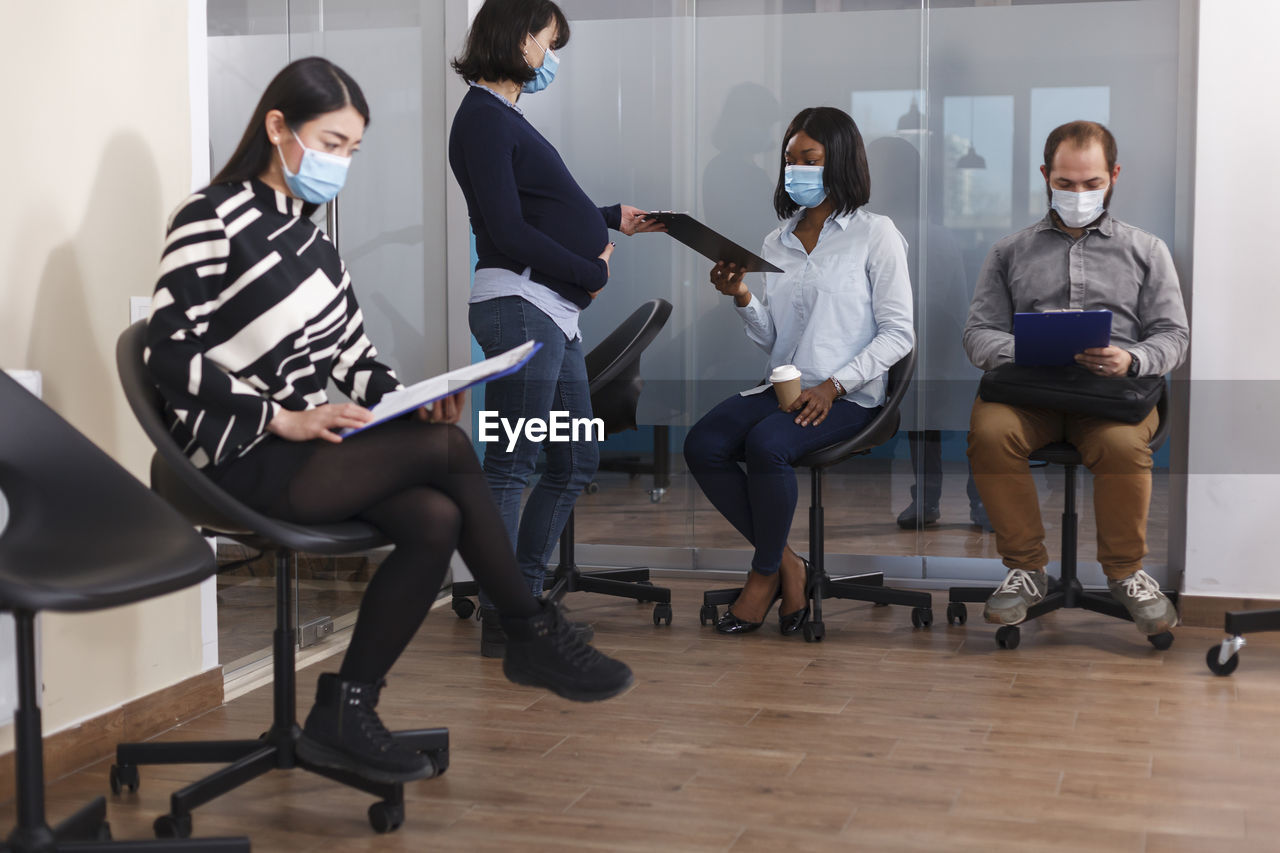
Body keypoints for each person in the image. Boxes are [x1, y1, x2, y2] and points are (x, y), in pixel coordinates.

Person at [145, 57, 633, 786]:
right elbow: (165, 354)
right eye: (330, 142)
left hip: (310, 453)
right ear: (277, 128)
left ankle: (347, 705)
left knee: (435, 517)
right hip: (239, 454)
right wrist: (281, 417)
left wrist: (412, 394)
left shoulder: (315, 245)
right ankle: (527, 628)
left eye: (352, 150)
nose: (340, 162)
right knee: (447, 451)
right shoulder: (211, 218)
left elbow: (355, 356)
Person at [448, 0, 662, 657]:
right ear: (518, 41)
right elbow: (507, 231)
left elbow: (534, 207)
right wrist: (589, 270)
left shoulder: (504, 119)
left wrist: (602, 216)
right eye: (547, 41)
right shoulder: (482, 120)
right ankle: (508, 620)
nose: (550, 57)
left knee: (574, 458)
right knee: (512, 460)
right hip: (521, 306)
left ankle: (525, 604)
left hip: (549, 312)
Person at [684, 107, 914, 636]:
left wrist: (834, 386)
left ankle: (763, 576)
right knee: (703, 443)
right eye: (790, 160)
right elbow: (774, 338)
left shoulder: (875, 235)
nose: (796, 171)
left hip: (849, 395)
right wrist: (741, 295)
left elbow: (900, 334)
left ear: (840, 164)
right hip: (783, 384)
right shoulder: (775, 242)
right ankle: (791, 564)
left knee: (769, 444)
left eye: (809, 159)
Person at [964, 120, 1189, 635]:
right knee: (990, 433)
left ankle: (1126, 572)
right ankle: (1025, 569)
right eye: (1065, 183)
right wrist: (1027, 349)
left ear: (1114, 176)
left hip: (1112, 396)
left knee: (1122, 447)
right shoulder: (1008, 251)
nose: (1079, 194)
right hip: (1027, 393)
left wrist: (1129, 360)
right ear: (1046, 176)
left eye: (1091, 184)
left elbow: (1174, 336)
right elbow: (977, 335)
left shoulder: (1147, 251)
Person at [865, 136, 989, 532]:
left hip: (934, 351)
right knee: (928, 420)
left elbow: (938, 310)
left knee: (931, 418)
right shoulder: (912, 233)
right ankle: (966, 503)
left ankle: (951, 501)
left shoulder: (922, 236)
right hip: (915, 353)